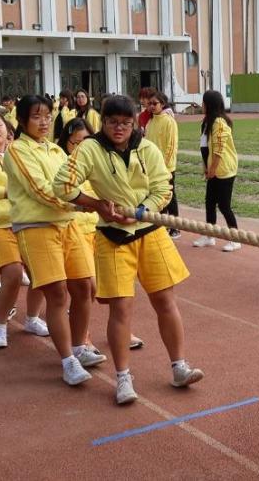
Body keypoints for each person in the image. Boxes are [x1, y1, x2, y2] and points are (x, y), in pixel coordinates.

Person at [53, 94, 204, 405]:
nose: (118, 128)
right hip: (112, 237)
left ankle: (179, 366)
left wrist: (140, 210)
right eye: (111, 122)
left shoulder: (147, 148)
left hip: (149, 231)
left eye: (125, 123)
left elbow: (163, 187)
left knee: (166, 301)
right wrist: (97, 205)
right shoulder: (90, 149)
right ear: (103, 123)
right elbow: (62, 186)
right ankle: (123, 378)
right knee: (121, 308)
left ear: (134, 122)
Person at [3, 95, 99, 386]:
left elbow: (76, 182)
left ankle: (80, 347)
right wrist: (83, 205)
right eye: (36, 116)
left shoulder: (57, 151)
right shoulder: (17, 150)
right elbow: (41, 191)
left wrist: (103, 199)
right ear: (21, 121)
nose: (44, 121)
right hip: (36, 227)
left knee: (86, 287)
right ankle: (67, 360)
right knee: (58, 294)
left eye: (47, 115)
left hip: (67, 225)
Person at [58, 118, 146, 351]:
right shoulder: (64, 163)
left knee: (116, 291)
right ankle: (82, 338)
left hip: (100, 229)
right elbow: (59, 194)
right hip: (76, 229)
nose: (81, 148)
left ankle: (121, 331)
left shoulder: (103, 161)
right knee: (88, 288)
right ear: (67, 142)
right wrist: (94, 205)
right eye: (75, 143)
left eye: (86, 141)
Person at [0, 110, 50, 347]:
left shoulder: (19, 153)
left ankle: (32, 318)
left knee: (42, 274)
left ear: (8, 128)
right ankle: (0, 325)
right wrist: (16, 189)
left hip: (27, 219)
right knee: (13, 273)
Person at [191, 90, 241, 252]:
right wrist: (206, 168)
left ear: (210, 104)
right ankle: (209, 236)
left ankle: (235, 239)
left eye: (204, 102)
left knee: (224, 205)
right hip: (213, 169)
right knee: (210, 202)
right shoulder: (206, 122)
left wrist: (212, 169)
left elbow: (219, 150)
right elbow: (205, 148)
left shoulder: (219, 122)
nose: (202, 105)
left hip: (224, 169)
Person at [144, 91, 182, 239]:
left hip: (166, 168)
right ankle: (162, 225)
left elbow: (171, 146)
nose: (152, 106)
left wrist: (164, 167)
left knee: (170, 197)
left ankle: (175, 227)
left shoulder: (169, 121)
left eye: (155, 103)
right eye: (150, 104)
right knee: (157, 196)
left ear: (162, 104)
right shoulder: (150, 122)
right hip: (151, 168)